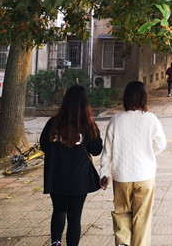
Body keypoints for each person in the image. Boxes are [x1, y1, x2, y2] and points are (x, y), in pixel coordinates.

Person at [100, 81, 167, 246]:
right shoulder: (151, 119)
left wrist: (104, 173)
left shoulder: (116, 120)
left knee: (121, 214)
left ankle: (123, 243)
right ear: (145, 97)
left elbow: (107, 151)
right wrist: (147, 152)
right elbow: (161, 144)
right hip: (145, 175)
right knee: (142, 218)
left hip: (121, 176)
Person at [40, 85, 103, 246]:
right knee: (75, 217)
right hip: (78, 179)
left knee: (59, 209)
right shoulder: (88, 125)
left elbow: (43, 146)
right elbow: (96, 150)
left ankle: (55, 242)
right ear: (85, 104)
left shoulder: (53, 123)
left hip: (56, 176)